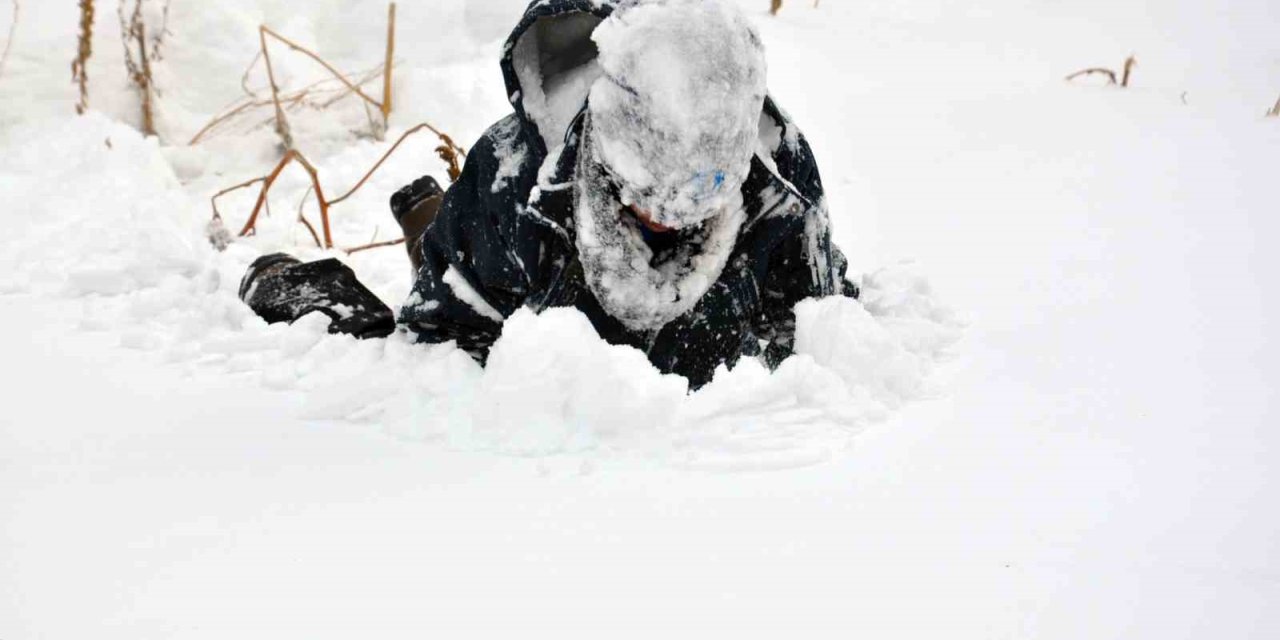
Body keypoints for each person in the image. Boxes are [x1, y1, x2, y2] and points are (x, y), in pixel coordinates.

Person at [240, 0, 858, 388]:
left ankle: (430, 220)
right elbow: (441, 343)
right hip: (534, 334)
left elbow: (821, 321)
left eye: (700, 194)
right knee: (393, 334)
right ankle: (392, 241)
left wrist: (739, 392)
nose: (666, 218)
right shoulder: (513, 178)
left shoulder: (778, 175)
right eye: (644, 192)